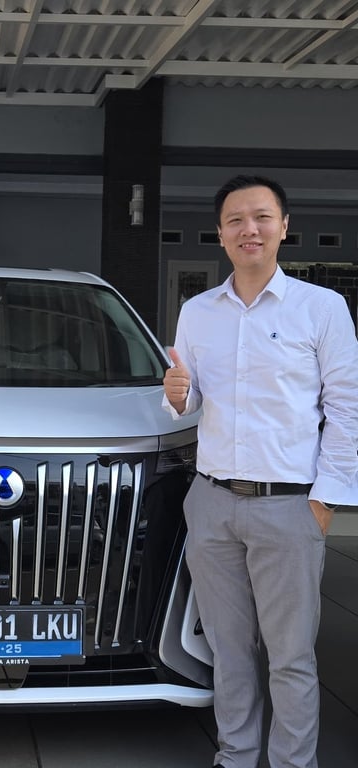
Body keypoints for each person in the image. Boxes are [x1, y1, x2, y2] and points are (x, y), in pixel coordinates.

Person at [163, 175, 358, 768]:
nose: (249, 229)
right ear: (221, 234)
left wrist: (324, 500)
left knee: (291, 656)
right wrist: (175, 398)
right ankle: (235, 756)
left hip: (289, 506)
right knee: (229, 651)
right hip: (212, 502)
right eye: (236, 220)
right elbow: (189, 403)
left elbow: (346, 408)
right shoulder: (197, 312)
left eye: (262, 217)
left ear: (283, 227)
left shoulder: (321, 308)